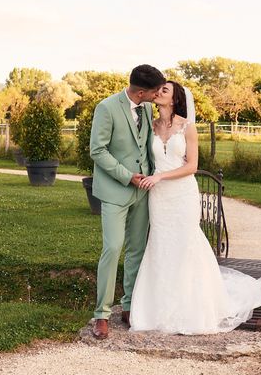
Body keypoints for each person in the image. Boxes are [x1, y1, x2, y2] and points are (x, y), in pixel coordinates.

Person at [129, 80, 261, 334]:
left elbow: (191, 166)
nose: (158, 92)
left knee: (186, 244)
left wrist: (160, 176)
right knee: (161, 245)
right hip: (158, 198)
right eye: (158, 89)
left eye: (164, 90)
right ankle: (158, 309)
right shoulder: (150, 126)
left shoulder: (187, 127)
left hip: (182, 194)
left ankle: (192, 307)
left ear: (174, 99)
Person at [89, 64, 166, 340]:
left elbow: (146, 146)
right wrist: (126, 176)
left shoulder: (146, 108)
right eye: (156, 91)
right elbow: (97, 150)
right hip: (115, 190)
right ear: (142, 91)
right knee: (112, 248)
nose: (159, 95)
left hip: (143, 191)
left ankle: (130, 305)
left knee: (136, 250)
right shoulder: (106, 108)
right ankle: (101, 314)